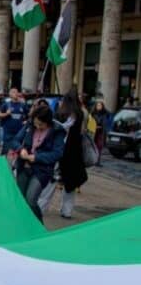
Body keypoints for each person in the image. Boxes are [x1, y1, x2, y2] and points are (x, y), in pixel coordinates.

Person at [14, 104, 66, 222]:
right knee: (21, 199)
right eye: (36, 123)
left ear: (48, 122)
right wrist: (20, 149)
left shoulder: (57, 131)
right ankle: (24, 225)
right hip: (24, 166)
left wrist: (37, 157)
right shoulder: (30, 125)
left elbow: (57, 153)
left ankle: (39, 226)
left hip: (42, 170)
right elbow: (16, 140)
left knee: (31, 199)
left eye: (41, 124)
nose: (37, 126)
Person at [55, 89, 88, 219]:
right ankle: (66, 210)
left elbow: (61, 127)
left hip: (63, 150)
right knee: (70, 183)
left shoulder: (63, 113)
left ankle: (42, 205)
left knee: (54, 179)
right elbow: (82, 131)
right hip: (73, 152)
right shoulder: (80, 113)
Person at [0, 87, 28, 155]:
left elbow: (28, 115)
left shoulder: (23, 105)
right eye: (14, 92)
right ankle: (2, 161)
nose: (16, 93)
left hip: (19, 133)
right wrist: (6, 114)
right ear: (10, 94)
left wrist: (26, 121)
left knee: (17, 151)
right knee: (5, 150)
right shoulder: (6, 104)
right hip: (8, 132)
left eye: (17, 92)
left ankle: (14, 162)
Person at [91, 100, 109, 167]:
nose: (99, 106)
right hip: (93, 132)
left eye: (100, 105)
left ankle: (97, 161)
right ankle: (92, 160)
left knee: (99, 146)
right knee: (93, 146)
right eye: (98, 105)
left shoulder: (105, 114)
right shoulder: (93, 114)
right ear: (95, 106)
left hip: (101, 132)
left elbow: (105, 124)